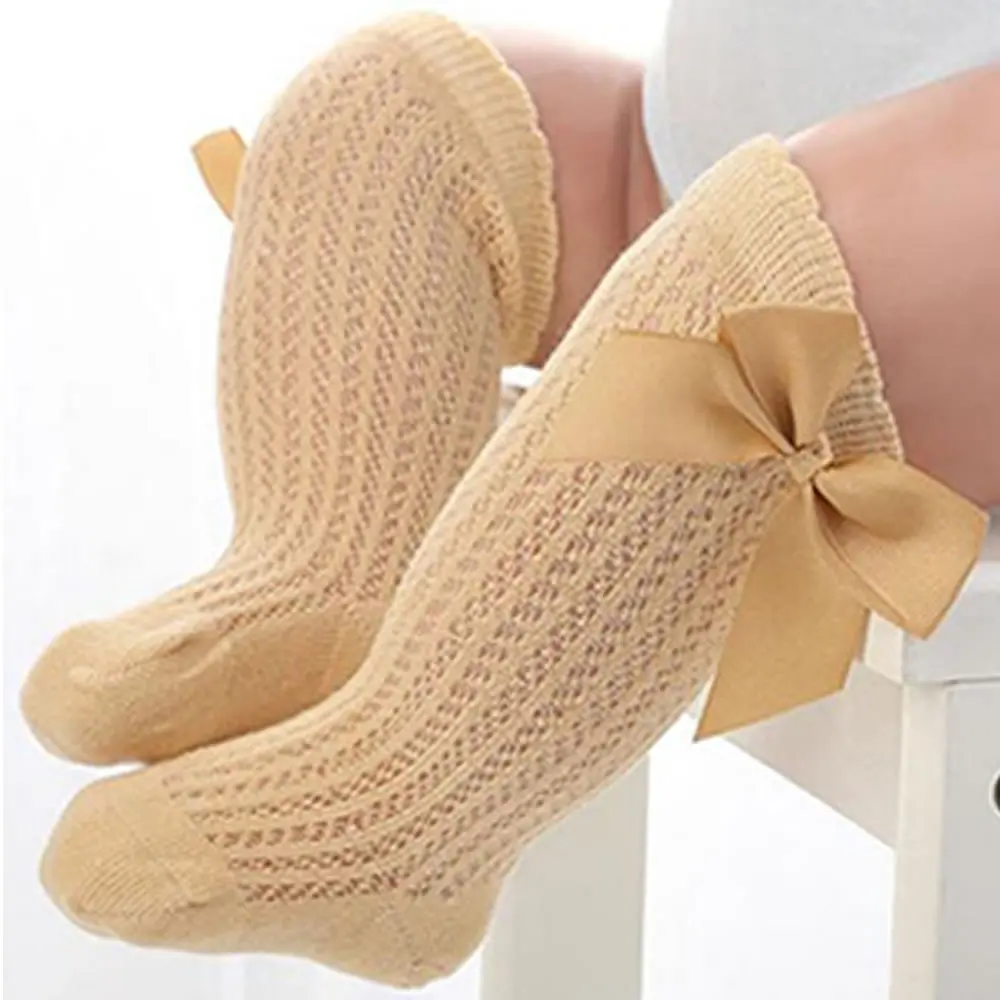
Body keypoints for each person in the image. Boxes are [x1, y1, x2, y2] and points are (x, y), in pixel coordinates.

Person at [23, 6, 997, 987]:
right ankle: (323, 583)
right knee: (390, 108)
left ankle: (408, 806)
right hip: (712, 136)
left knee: (763, 305)